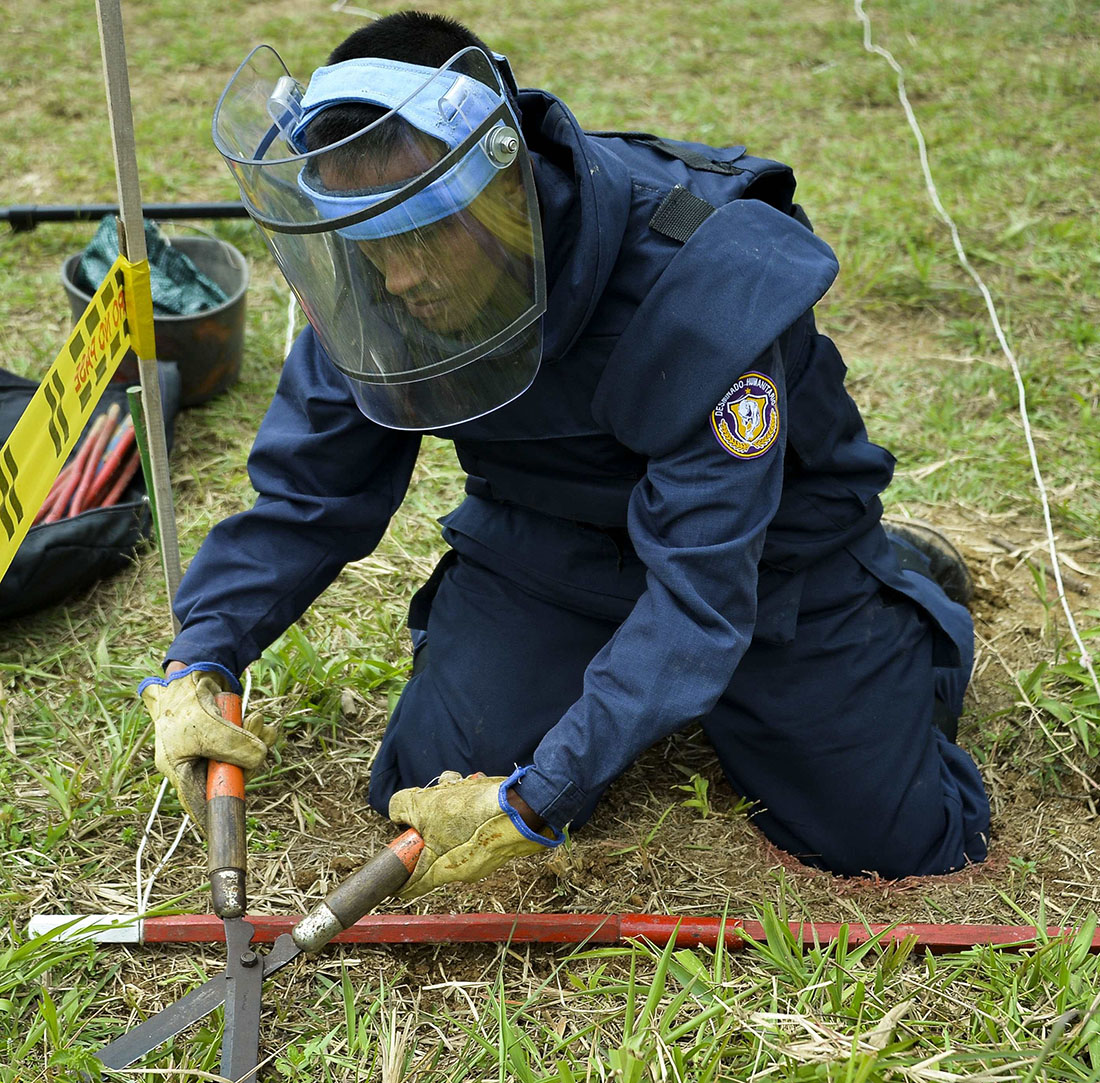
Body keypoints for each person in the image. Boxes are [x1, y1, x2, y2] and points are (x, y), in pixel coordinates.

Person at [139, 10, 990, 898]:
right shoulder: (375, 275)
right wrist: (205, 653)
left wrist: (544, 795)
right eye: (369, 245)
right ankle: (640, 687)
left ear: (508, 193)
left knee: (900, 841)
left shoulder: (698, 272)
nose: (396, 281)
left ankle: (906, 599)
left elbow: (703, 592)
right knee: (420, 784)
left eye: (424, 235)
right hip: (546, 543)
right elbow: (309, 497)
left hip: (768, 557)